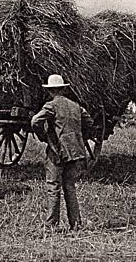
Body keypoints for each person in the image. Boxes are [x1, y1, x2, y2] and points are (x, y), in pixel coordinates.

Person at [31, 74, 93, 231]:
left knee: (53, 187)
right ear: (64, 89)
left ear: (50, 91)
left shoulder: (51, 106)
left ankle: (52, 224)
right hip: (76, 152)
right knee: (70, 187)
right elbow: (90, 123)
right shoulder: (76, 106)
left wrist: (43, 136)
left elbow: (35, 121)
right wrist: (79, 138)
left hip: (58, 152)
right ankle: (76, 224)